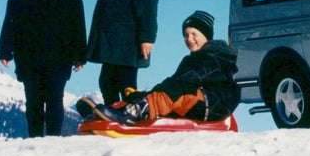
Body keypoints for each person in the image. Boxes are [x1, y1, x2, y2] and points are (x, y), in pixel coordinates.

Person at [81, 11, 240, 125]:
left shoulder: (216, 55)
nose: (189, 39)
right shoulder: (194, 58)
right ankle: (114, 111)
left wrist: (154, 93)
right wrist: (146, 94)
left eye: (194, 34)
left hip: (216, 105)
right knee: (170, 92)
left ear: (206, 35)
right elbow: (177, 83)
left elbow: (184, 82)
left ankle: (133, 112)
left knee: (177, 90)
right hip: (200, 101)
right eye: (186, 35)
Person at [0, 0, 86, 137]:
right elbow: (10, 21)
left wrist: (80, 55)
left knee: (54, 98)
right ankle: (34, 140)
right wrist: (4, 50)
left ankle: (53, 140)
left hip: (59, 57)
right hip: (29, 56)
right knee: (34, 100)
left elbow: (78, 24)